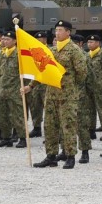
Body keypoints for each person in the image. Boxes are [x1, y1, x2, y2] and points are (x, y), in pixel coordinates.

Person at [28, 20, 87, 169]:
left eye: (60, 30)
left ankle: (70, 156)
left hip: (67, 95)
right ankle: (51, 156)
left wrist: (70, 86)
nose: (57, 33)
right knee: (50, 126)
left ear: (68, 32)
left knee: (68, 126)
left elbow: (82, 73)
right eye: (56, 30)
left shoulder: (74, 50)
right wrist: (30, 86)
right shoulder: (52, 51)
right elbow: (43, 71)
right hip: (51, 95)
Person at [0, 31, 26, 148]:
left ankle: (22, 138)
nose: (4, 41)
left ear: (15, 41)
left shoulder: (19, 54)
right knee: (4, 115)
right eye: (4, 39)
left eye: (7, 39)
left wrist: (24, 88)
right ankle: (6, 138)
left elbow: (24, 74)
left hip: (15, 90)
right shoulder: (2, 54)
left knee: (18, 115)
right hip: (3, 89)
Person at [81, 32, 102, 160]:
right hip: (88, 87)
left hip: (100, 87)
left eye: (92, 42)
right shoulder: (87, 55)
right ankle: (91, 130)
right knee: (89, 110)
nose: (90, 44)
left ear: (98, 43)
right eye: (89, 42)